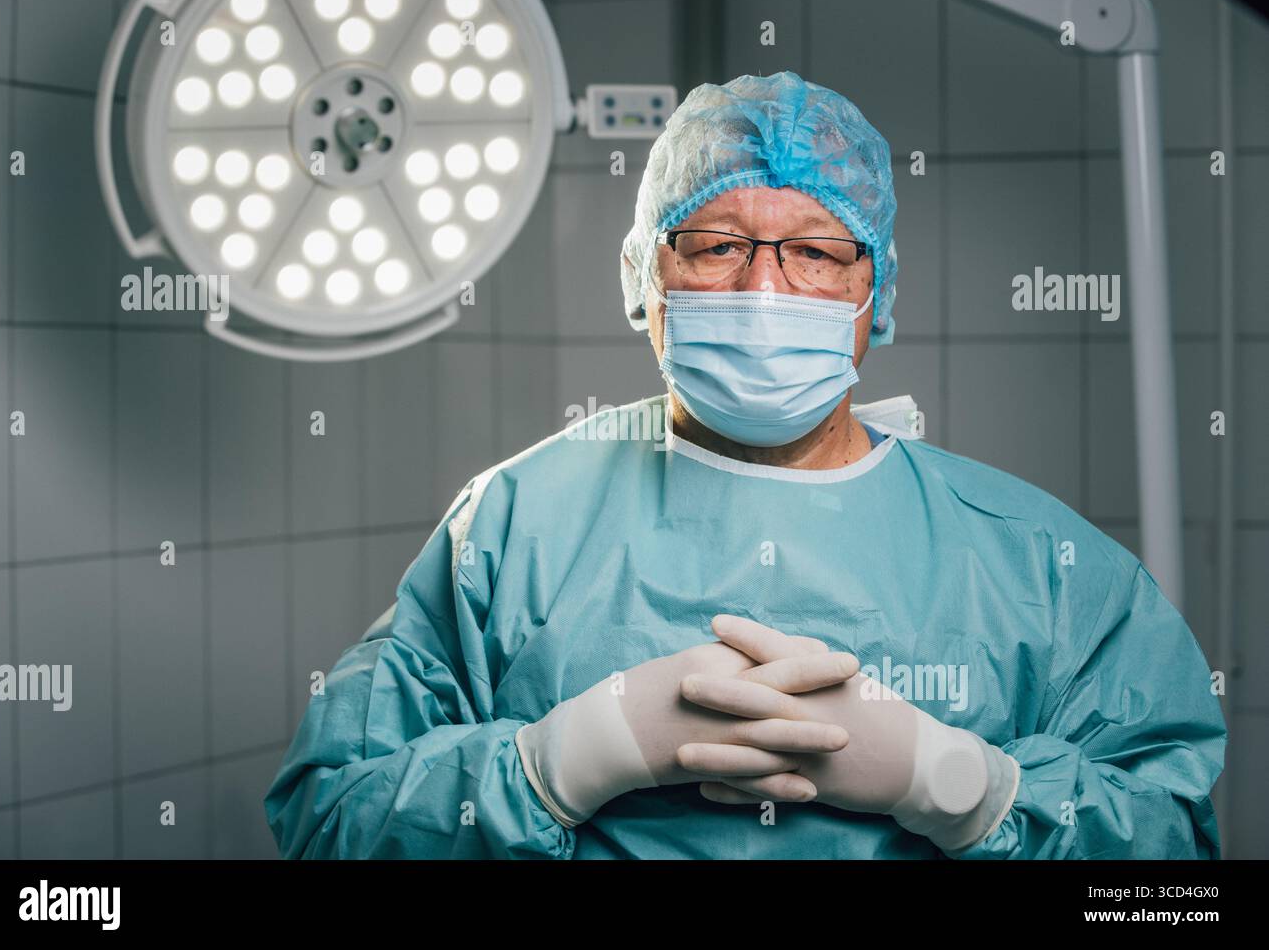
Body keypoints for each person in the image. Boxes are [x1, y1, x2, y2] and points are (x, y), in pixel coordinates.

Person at [264, 71, 1226, 859]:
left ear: (873, 290)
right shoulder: (516, 523)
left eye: (814, 252)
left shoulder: (1032, 562)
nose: (764, 288)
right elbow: (327, 818)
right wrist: (562, 759)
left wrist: (957, 783)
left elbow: (1174, 866)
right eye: (717, 245)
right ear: (647, 277)